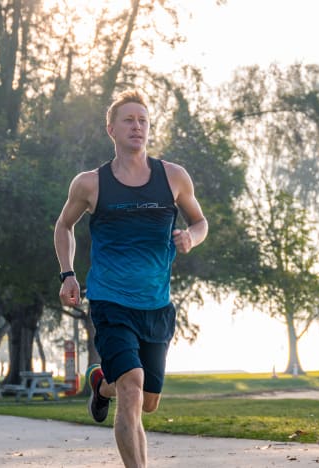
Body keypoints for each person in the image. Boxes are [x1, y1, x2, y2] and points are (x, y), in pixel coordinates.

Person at [54, 90, 207, 468]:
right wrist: (68, 274)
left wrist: (192, 237)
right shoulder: (90, 184)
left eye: (143, 120)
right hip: (110, 301)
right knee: (133, 387)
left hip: (156, 305)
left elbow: (200, 222)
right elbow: (63, 226)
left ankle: (100, 383)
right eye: (128, 120)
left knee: (147, 401)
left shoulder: (173, 177)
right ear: (111, 129)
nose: (137, 126)